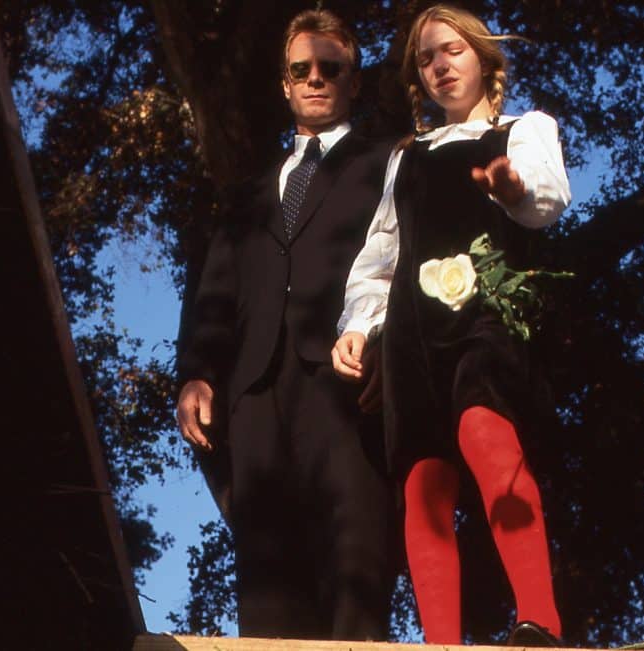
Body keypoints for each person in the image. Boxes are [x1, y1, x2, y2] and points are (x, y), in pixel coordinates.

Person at [332, 4, 571, 646]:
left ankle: (539, 624)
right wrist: (360, 326)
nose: (439, 65)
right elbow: (379, 257)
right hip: (411, 336)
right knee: (423, 481)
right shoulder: (406, 157)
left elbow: (547, 199)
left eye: (452, 51)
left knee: (486, 434)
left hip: (486, 315)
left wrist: (512, 186)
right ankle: (441, 642)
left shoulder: (522, 129)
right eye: (426, 58)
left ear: (484, 58)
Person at [176, 9, 395, 640]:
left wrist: (383, 348)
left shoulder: (390, 165)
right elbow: (216, 291)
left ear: (355, 81)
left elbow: (398, 267)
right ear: (284, 83)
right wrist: (197, 373)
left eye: (332, 68)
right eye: (302, 69)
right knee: (267, 593)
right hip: (254, 397)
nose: (316, 79)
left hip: (345, 386)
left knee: (354, 574)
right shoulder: (246, 195)